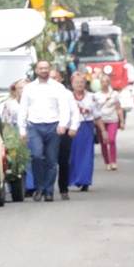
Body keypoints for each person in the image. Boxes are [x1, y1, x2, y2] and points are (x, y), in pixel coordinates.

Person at [17, 60, 76, 202]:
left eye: (46, 68)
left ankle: (49, 191)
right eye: (41, 68)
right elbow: (23, 108)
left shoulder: (58, 87)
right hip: (34, 126)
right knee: (36, 156)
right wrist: (22, 129)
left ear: (49, 70)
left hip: (53, 126)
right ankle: (39, 187)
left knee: (51, 160)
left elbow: (64, 107)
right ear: (36, 70)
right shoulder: (29, 88)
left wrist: (63, 124)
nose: (44, 70)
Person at [65, 70, 97, 192]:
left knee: (86, 155)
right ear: (72, 83)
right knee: (71, 154)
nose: (79, 84)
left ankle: (84, 180)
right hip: (71, 127)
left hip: (86, 127)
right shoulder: (67, 96)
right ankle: (71, 179)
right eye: (77, 82)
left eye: (82, 82)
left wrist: (102, 130)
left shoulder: (91, 97)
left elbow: (96, 114)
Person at [92, 73, 123, 171]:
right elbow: (94, 109)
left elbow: (118, 108)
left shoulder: (114, 94)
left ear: (109, 83)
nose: (104, 83)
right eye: (102, 82)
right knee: (104, 142)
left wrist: (122, 121)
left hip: (112, 119)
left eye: (106, 82)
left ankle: (113, 161)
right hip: (100, 121)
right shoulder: (96, 95)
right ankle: (107, 162)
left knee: (111, 140)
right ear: (100, 83)